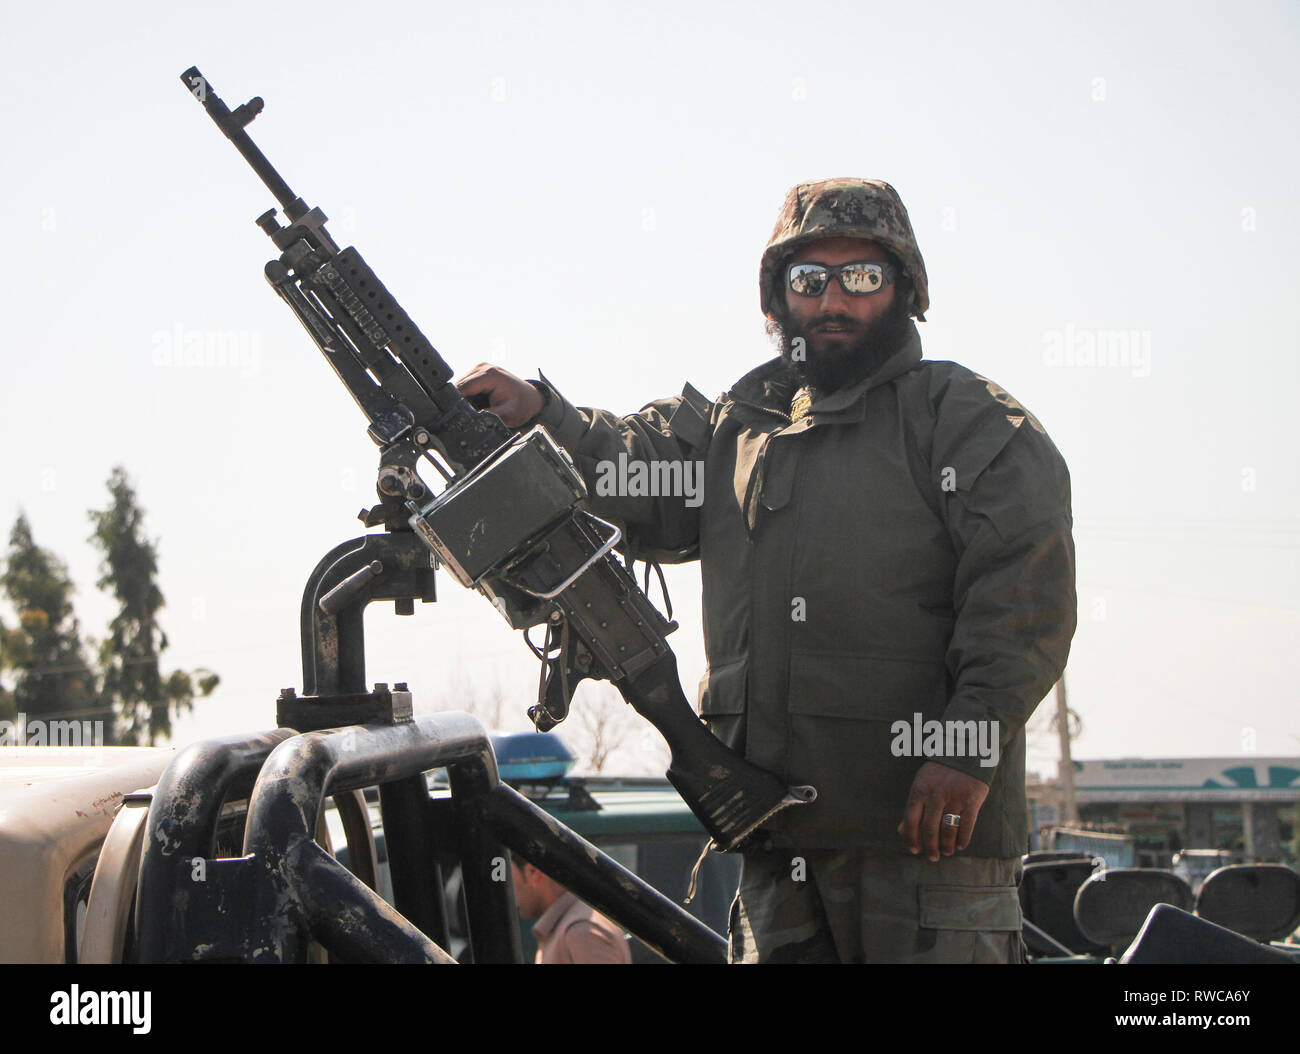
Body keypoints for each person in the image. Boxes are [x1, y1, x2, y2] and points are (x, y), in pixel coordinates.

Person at [460, 178, 1077, 963]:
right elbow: (634, 471)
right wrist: (544, 416)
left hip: (926, 854)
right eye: (808, 279)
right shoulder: (743, 426)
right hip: (772, 842)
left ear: (905, 289)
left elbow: (1027, 595)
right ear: (777, 298)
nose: (833, 301)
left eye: (862, 277)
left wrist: (966, 744)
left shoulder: (966, 419)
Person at [510, 857, 632, 964]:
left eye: (511, 878)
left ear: (533, 873)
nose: (512, 893)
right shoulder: (567, 927)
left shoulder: (582, 931)